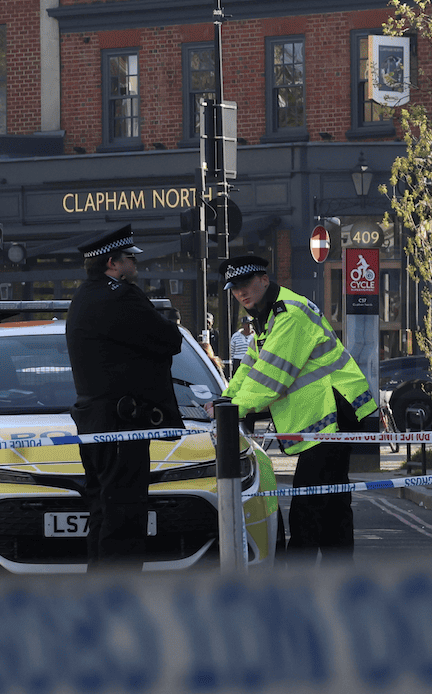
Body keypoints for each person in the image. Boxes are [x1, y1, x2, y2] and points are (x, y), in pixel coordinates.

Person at [221, 255, 378, 559]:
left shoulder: (289, 315)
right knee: (332, 503)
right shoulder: (268, 317)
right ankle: (338, 576)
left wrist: (233, 409)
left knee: (309, 506)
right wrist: (226, 399)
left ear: (264, 280)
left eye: (246, 285)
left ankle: (298, 579)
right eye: (235, 288)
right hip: (323, 416)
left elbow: (270, 378)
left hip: (333, 413)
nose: (241, 293)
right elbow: (250, 365)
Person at [65, 224, 184, 570]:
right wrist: (168, 323)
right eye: (130, 257)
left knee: (103, 509)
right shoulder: (120, 296)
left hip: (94, 422)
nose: (135, 263)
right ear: (113, 263)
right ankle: (120, 594)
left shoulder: (85, 296)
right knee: (125, 515)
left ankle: (100, 590)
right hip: (121, 423)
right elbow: (168, 340)